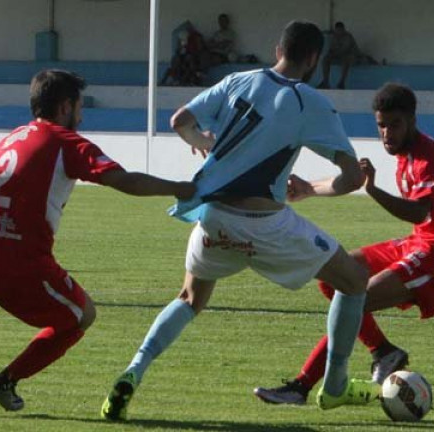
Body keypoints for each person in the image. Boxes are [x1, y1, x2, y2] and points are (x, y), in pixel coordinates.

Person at [102, 20, 376, 422]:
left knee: (190, 299)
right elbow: (352, 178)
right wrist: (309, 189)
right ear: (314, 58)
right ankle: (334, 387)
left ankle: (134, 369)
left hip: (213, 218)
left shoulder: (238, 81)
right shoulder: (309, 101)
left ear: (276, 48)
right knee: (353, 281)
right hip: (265, 224)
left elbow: (180, 120)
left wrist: (206, 144)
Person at [0, 69, 196, 415]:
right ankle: (4, 381)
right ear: (65, 106)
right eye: (79, 106)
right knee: (81, 316)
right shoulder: (66, 142)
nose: (82, 115)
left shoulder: (10, 138)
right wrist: (181, 188)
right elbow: (125, 181)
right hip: (20, 261)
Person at [253, 83, 434, 406]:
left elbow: (419, 208)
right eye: (381, 125)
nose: (386, 133)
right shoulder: (407, 154)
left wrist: (374, 191)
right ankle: (384, 351)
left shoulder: (428, 158)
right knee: (335, 277)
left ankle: (301, 386)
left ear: (411, 120)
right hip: (421, 241)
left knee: (355, 300)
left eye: (394, 125)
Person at [318, 22, 360, 90]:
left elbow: (345, 50)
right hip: (337, 55)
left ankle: (341, 82)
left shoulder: (348, 36)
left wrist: (334, 52)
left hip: (349, 55)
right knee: (325, 59)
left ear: (343, 29)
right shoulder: (334, 36)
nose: (338, 32)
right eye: (337, 30)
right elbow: (331, 48)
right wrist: (330, 53)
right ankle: (325, 82)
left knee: (346, 60)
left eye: (340, 30)